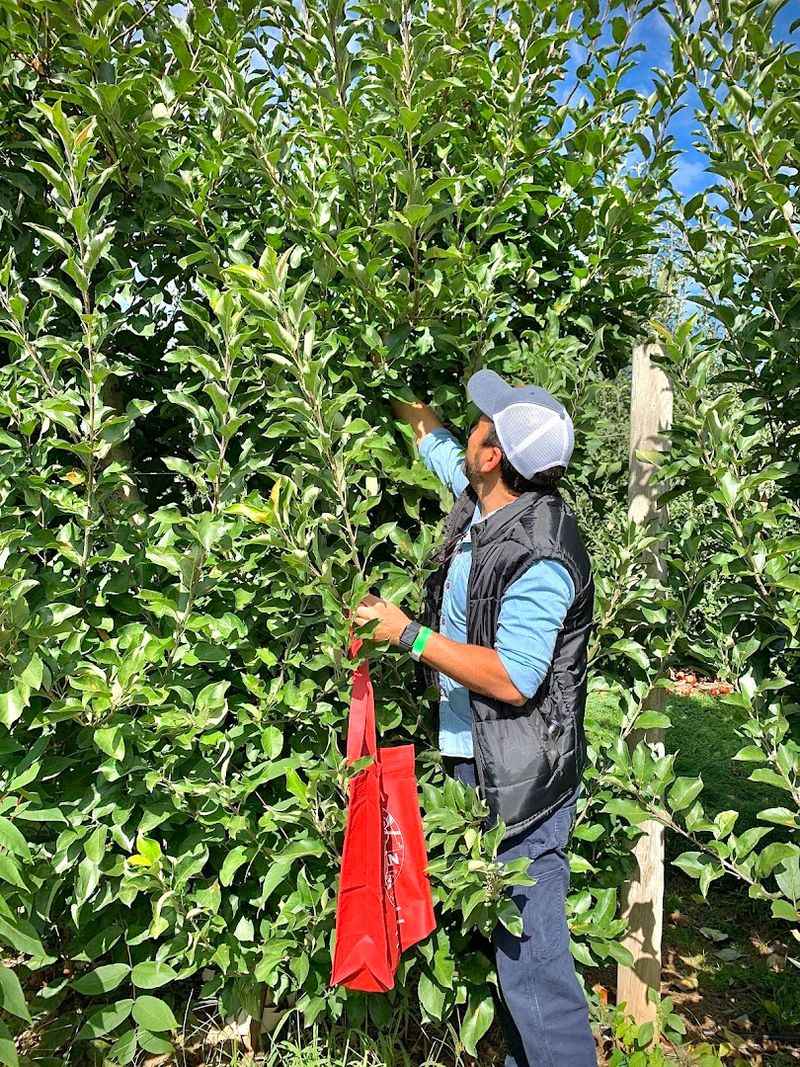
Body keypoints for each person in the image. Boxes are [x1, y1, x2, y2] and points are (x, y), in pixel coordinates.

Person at [354, 369, 597, 1067]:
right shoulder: (486, 498)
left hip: (521, 782)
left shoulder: (543, 551)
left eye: (482, 424)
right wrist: (387, 377)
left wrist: (409, 634)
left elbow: (516, 679)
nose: (469, 430)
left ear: (493, 455)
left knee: (535, 970)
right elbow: (435, 438)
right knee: (516, 963)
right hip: (480, 762)